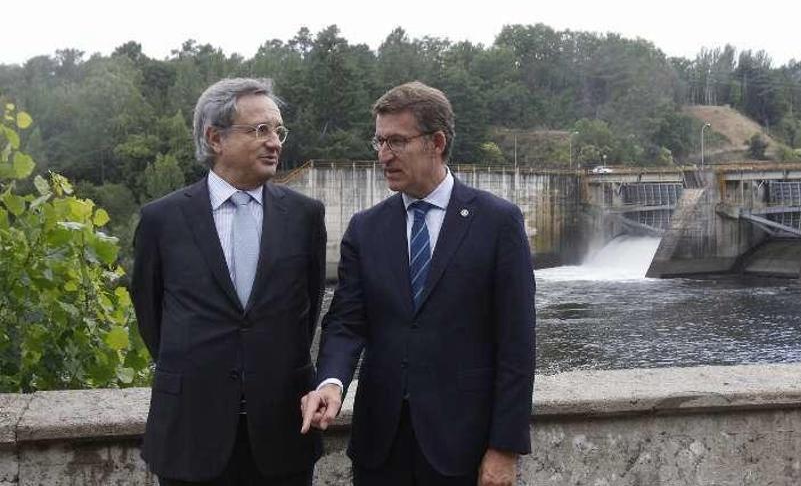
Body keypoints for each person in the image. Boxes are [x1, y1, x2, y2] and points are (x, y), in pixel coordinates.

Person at [301, 81, 536, 485]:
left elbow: (517, 343)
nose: (383, 155)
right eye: (378, 141)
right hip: (381, 448)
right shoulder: (366, 228)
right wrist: (332, 382)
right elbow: (345, 322)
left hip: (464, 447)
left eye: (396, 141)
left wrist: (505, 447)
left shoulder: (498, 222)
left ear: (437, 141)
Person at [132, 78, 326, 485]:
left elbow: (305, 310)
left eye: (278, 130)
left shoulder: (305, 216)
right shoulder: (161, 221)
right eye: (260, 130)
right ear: (215, 138)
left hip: (281, 434)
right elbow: (151, 318)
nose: (274, 142)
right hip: (191, 432)